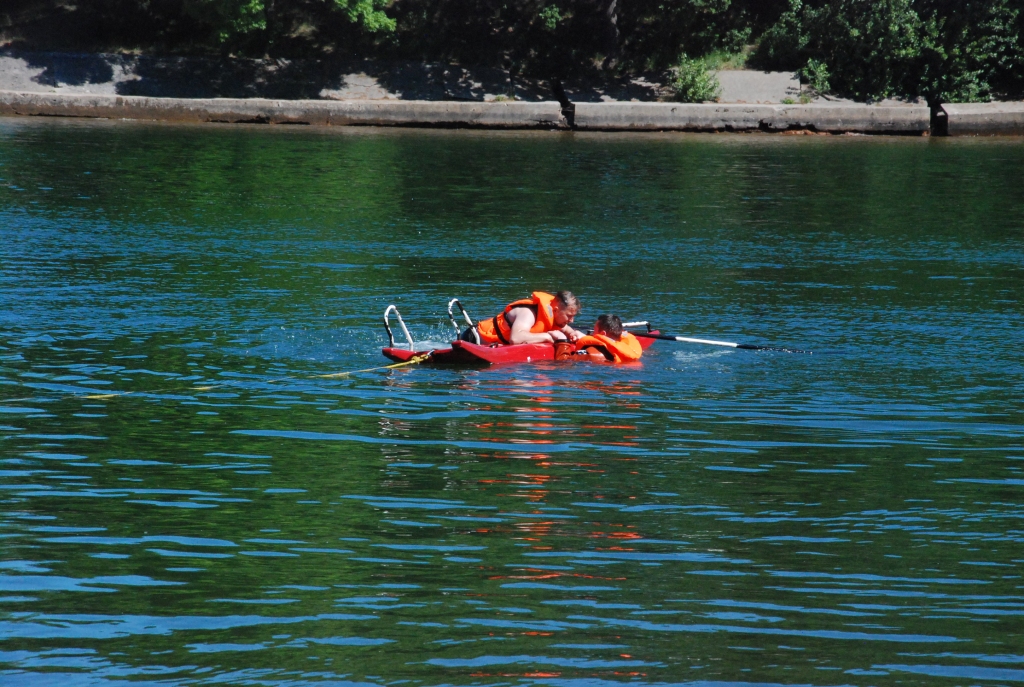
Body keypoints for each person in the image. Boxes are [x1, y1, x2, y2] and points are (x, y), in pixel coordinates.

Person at [470, 291, 584, 345]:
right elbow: (515, 339)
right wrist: (548, 337)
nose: (571, 320)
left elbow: (565, 329)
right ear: (556, 309)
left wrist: (574, 333)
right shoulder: (528, 313)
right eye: (569, 316)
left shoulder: (554, 316)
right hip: (474, 339)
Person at [575, 314, 643, 362]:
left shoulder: (594, 354)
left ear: (603, 334)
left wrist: (583, 338)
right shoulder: (629, 348)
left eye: (594, 329)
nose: (592, 333)